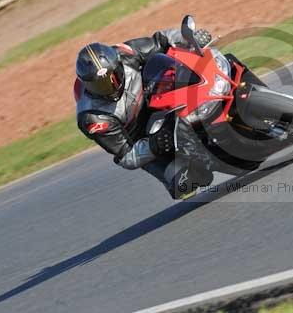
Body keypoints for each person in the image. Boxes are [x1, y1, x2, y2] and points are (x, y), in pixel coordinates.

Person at [74, 27, 213, 199]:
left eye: (112, 77)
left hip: (159, 99)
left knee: (160, 60)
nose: (108, 87)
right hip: (144, 138)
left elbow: (161, 40)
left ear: (117, 64)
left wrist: (189, 39)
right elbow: (126, 156)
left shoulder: (125, 54)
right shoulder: (93, 117)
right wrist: (155, 144)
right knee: (186, 184)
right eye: (98, 85)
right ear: (87, 86)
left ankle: (208, 101)